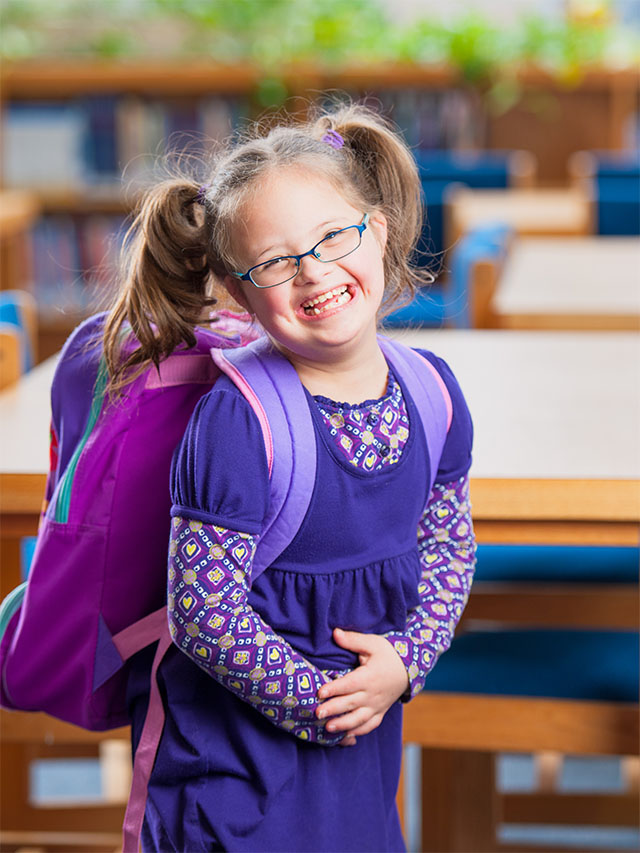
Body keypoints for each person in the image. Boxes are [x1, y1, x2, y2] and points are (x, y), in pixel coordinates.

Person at [120, 103, 476, 852]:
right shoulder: (237, 421)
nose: (313, 269)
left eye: (332, 236)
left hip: (361, 746)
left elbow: (449, 542)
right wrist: (327, 699)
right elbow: (204, 613)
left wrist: (406, 663)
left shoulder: (433, 391)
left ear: (376, 230)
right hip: (238, 768)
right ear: (238, 290)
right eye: (276, 261)